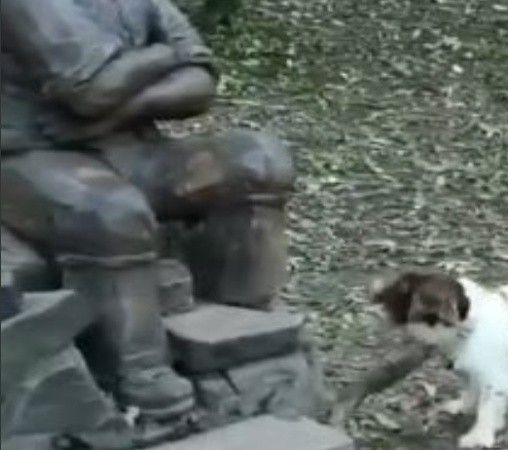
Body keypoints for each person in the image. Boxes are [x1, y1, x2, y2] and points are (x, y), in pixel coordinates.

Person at [0, 0, 294, 420]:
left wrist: (119, 111)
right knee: (110, 212)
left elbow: (201, 80)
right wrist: (163, 53)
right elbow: (87, 89)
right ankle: (134, 374)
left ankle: (246, 321)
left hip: (131, 149)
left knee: (258, 161)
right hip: (29, 157)